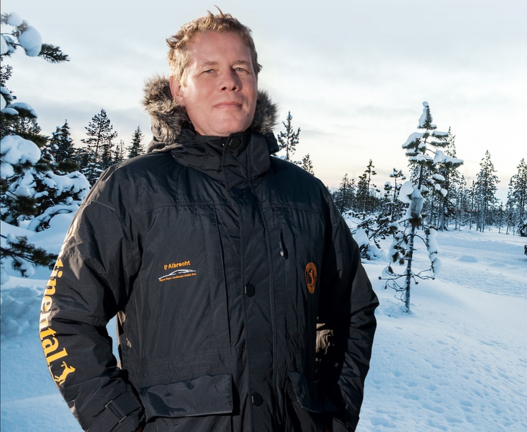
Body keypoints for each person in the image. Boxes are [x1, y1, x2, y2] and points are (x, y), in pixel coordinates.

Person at [40, 10, 378, 432]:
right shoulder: (132, 191)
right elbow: (66, 318)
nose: (229, 81)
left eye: (241, 68)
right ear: (177, 88)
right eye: (209, 69)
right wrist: (120, 424)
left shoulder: (305, 196)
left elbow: (353, 310)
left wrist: (334, 415)